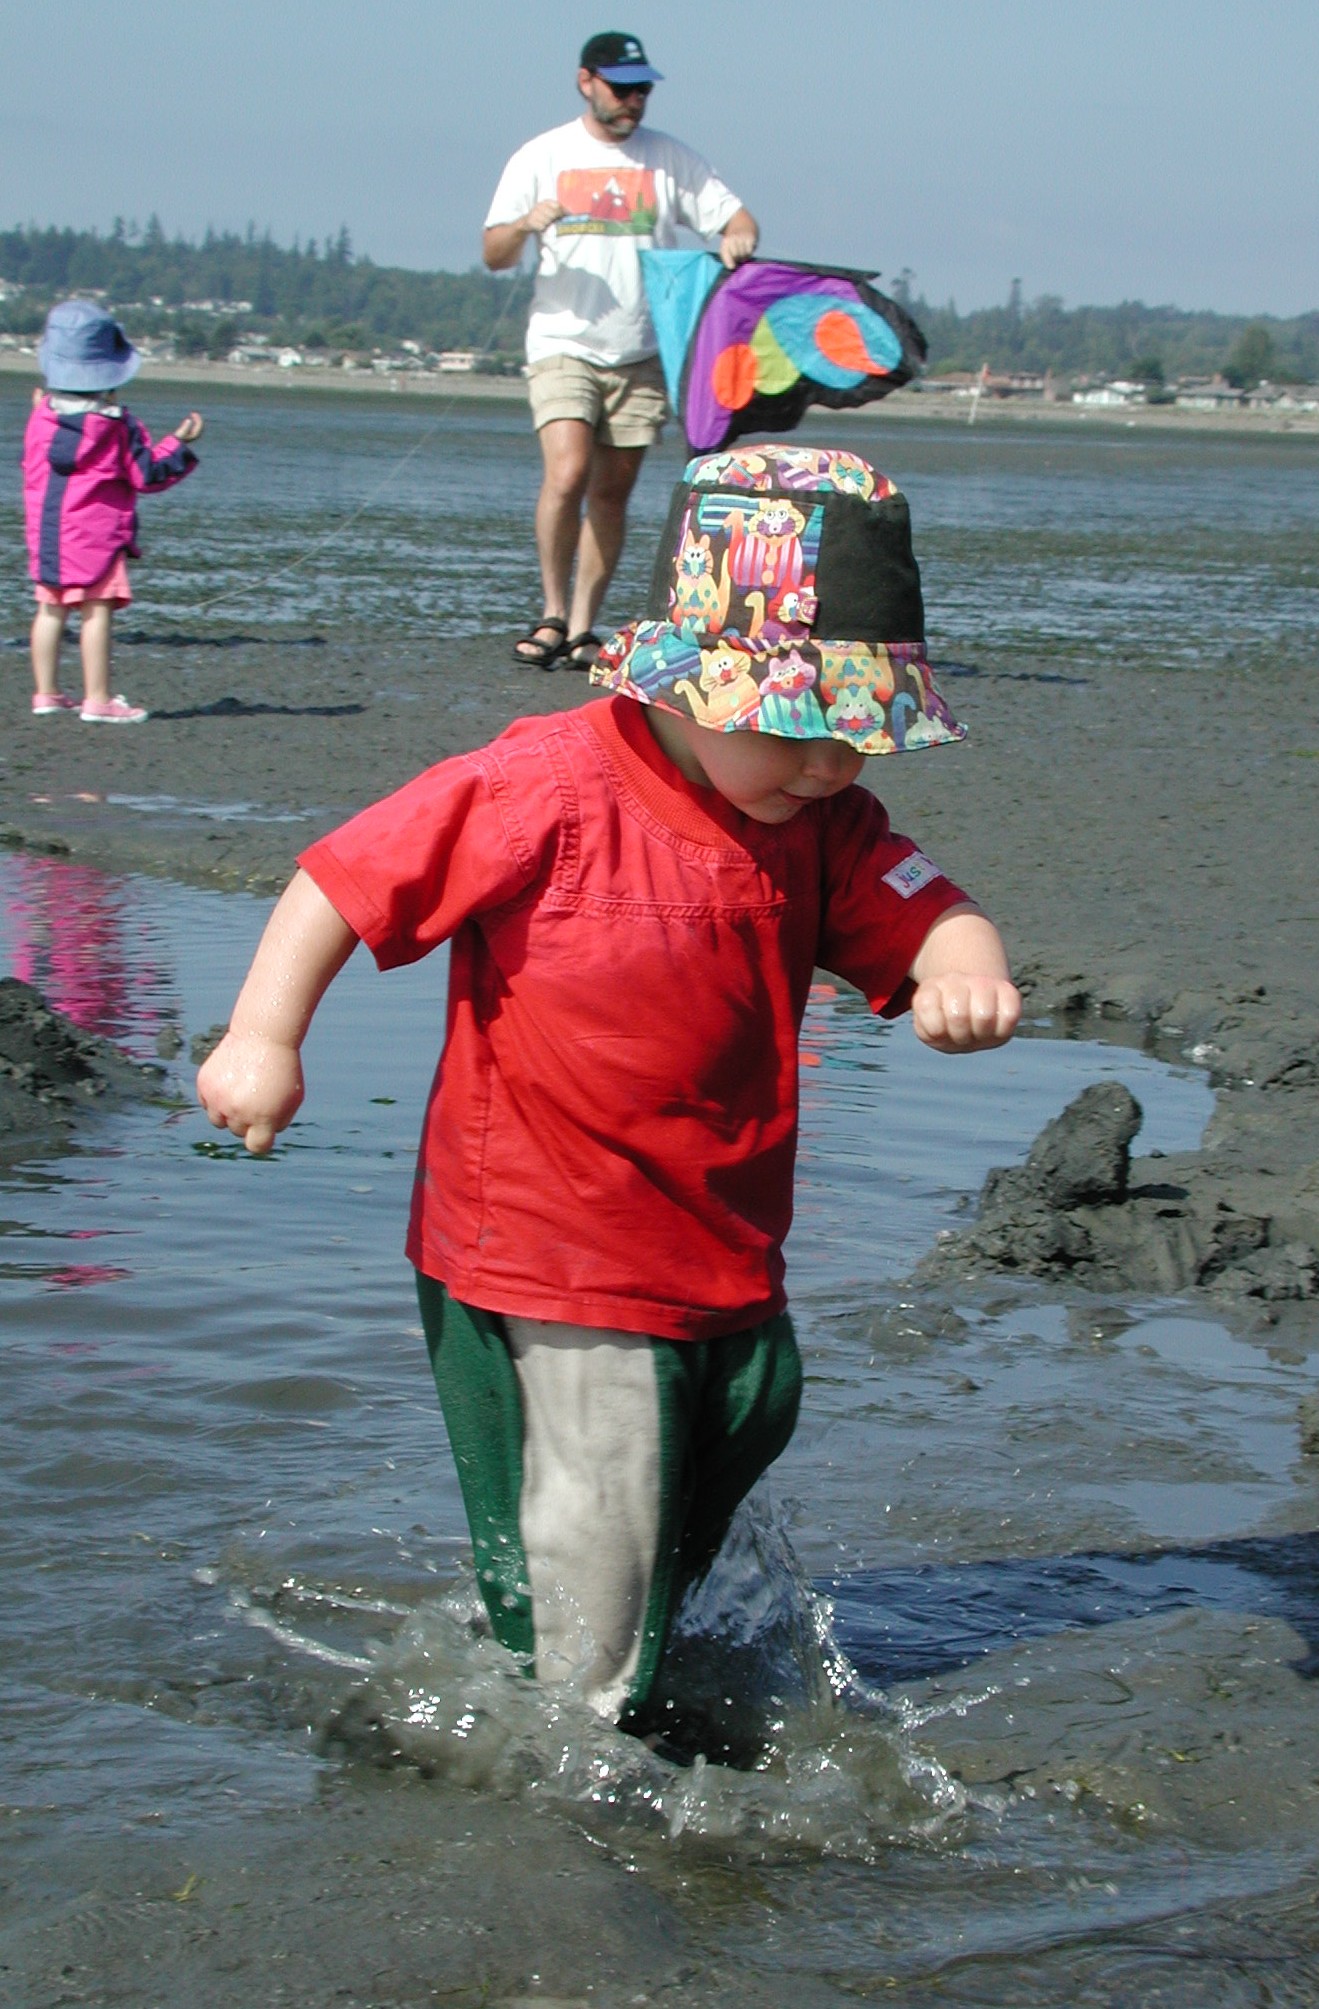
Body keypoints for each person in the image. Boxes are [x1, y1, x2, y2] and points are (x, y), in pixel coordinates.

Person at [196, 443, 1021, 1732]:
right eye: (788, 728)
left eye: (854, 736)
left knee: (750, 1413)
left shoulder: (818, 826)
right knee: (600, 1530)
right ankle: (569, 1763)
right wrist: (263, 1036)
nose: (824, 768)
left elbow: (931, 911)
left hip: (722, 1239)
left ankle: (592, 1658)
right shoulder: (544, 785)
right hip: (545, 1240)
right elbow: (339, 881)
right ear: (679, 688)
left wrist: (961, 972)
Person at [483, 30, 758, 674]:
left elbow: (738, 220)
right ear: (586, 82)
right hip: (563, 340)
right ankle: (551, 612)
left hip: (642, 350)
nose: (634, 100)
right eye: (621, 87)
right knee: (568, 471)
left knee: (612, 491)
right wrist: (525, 225)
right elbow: (494, 253)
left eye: (643, 89)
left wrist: (736, 241)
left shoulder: (671, 160)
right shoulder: (541, 155)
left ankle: (582, 627)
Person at [22, 298, 202, 724]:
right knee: (95, 611)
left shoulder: (40, 419)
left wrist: (39, 409)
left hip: (47, 530)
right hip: (96, 534)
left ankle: (46, 692)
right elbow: (147, 474)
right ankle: (97, 698)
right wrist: (180, 441)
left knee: (50, 608)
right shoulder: (117, 425)